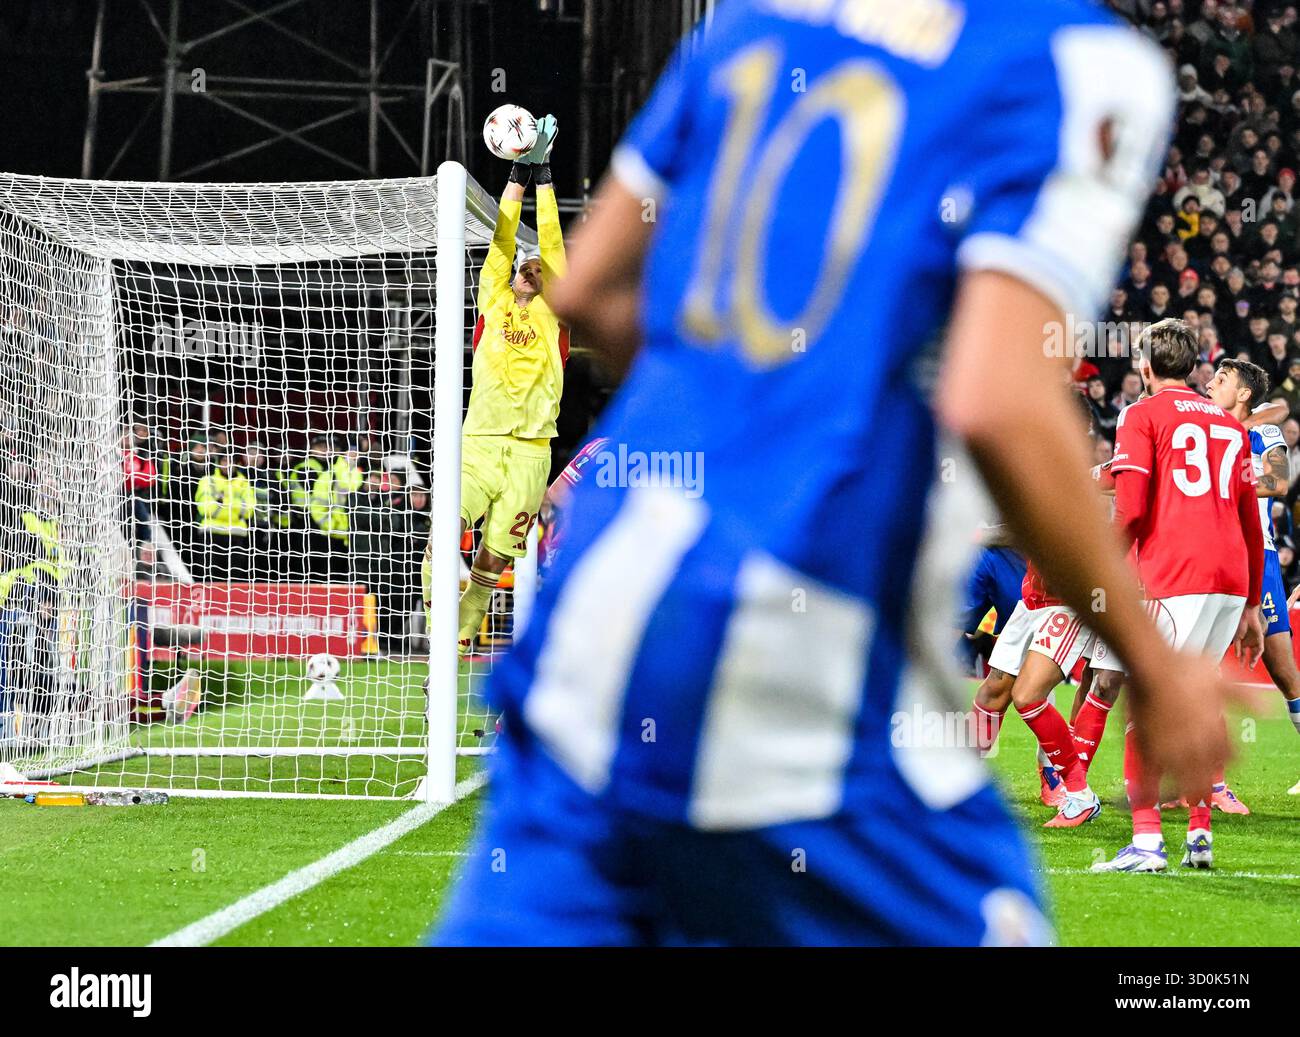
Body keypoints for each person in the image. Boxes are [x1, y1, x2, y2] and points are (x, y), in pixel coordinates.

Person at [433, 1, 1225, 947]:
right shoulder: (1075, 61)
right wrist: (1158, 668)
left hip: (588, 629)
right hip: (792, 647)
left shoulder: (752, 23)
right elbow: (1000, 400)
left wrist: (743, 400)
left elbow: (594, 290)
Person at [1092, 320, 1265, 873]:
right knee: (1199, 706)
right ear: (1194, 368)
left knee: (1148, 702)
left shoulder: (1141, 415)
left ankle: (1146, 844)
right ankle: (1199, 835)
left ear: (1146, 366)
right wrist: (1252, 603)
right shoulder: (1232, 427)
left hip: (1176, 575)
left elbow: (1132, 507)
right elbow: (1250, 522)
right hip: (1228, 580)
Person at [432, 115, 568, 657]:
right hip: (481, 444)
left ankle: (461, 636)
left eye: (539, 268)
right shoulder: (493, 296)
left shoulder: (556, 315)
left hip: (533, 452)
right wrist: (520, 172)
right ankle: (439, 623)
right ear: (512, 275)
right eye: (524, 266)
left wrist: (548, 176)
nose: (531, 268)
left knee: (494, 560)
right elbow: (505, 235)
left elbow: (553, 247)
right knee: (446, 531)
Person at [1207, 359, 1300, 790]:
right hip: (1205, 554)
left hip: (1255, 557)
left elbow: (1278, 480)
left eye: (1221, 380)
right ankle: (1209, 783)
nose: (1209, 384)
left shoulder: (1262, 434)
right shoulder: (1205, 429)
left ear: (1244, 394)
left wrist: (1223, 479)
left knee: (1283, 671)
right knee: (1201, 665)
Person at [194, 449, 256, 581]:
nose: (227, 464)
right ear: (218, 463)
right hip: (211, 533)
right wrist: (236, 505)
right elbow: (206, 509)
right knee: (210, 577)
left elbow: (249, 510)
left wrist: (222, 501)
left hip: (236, 535)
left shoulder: (244, 482)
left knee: (235, 578)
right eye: (224, 460)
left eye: (231, 461)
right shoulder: (207, 480)